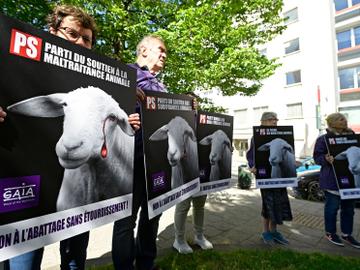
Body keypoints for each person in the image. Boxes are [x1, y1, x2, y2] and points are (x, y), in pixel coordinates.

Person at [3, 4, 140, 270]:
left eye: (86, 39)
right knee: (24, 257)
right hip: (24, 186)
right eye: (71, 33)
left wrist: (128, 121)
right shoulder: (17, 62)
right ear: (52, 31)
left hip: (77, 188)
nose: (79, 42)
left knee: (76, 250)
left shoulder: (97, 82)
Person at [111, 35, 167, 270]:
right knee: (126, 220)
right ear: (144, 50)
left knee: (152, 216)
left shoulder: (162, 86)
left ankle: (146, 263)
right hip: (130, 162)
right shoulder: (122, 75)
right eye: (160, 50)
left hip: (156, 164)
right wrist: (126, 92)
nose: (164, 55)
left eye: (166, 52)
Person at [172, 92, 213, 254]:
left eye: (195, 101)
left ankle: (199, 236)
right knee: (182, 205)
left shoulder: (203, 122)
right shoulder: (176, 121)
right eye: (188, 101)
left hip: (201, 170)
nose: (193, 103)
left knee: (200, 205)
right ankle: (179, 240)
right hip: (183, 171)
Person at [313, 112, 360, 248]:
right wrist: (325, 159)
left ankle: (347, 234)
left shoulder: (353, 137)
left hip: (350, 180)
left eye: (344, 119)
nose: (344, 121)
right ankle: (330, 233)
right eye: (340, 119)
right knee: (332, 208)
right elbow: (317, 157)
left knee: (349, 209)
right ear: (332, 123)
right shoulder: (323, 139)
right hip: (332, 180)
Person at [246, 112, 292, 245]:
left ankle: (274, 231)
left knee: (279, 202)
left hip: (280, 177)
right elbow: (251, 155)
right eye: (271, 119)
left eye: (276, 119)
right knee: (268, 203)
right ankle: (265, 232)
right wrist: (252, 166)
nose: (274, 122)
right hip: (265, 176)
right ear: (263, 121)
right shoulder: (256, 136)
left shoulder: (280, 135)